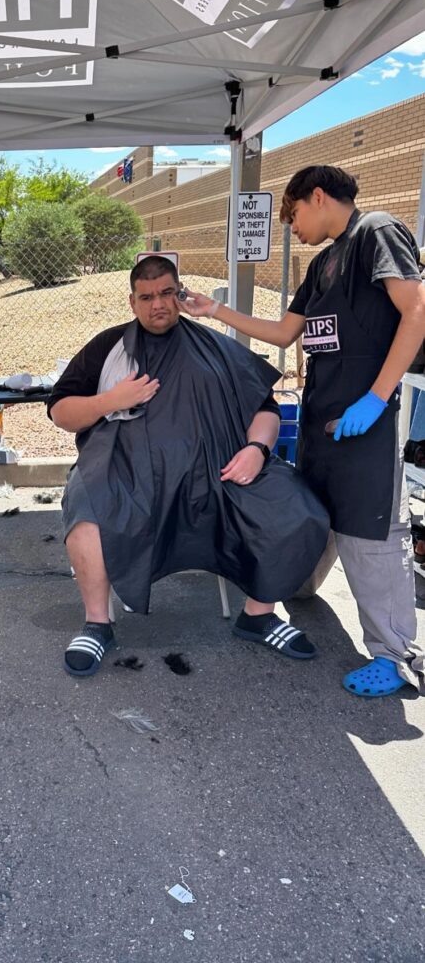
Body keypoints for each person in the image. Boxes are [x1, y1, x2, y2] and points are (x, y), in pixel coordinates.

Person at [182, 165, 425, 697]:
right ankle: (299, 590)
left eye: (293, 215)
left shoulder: (376, 233)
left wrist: (377, 397)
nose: (291, 228)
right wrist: (213, 310)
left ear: (317, 197)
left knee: (371, 535)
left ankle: (396, 656)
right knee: (313, 513)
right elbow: (284, 332)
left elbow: (417, 310)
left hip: (368, 424)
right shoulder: (324, 263)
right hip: (322, 419)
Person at [48, 255, 330, 678]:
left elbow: (266, 409)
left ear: (179, 294)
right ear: (132, 302)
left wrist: (256, 449)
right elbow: (61, 412)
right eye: (146, 297)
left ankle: (258, 614)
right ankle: (97, 624)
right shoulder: (110, 348)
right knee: (87, 511)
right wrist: (111, 401)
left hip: (217, 471)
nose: (157, 304)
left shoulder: (215, 347)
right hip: (128, 471)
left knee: (295, 505)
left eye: (166, 293)